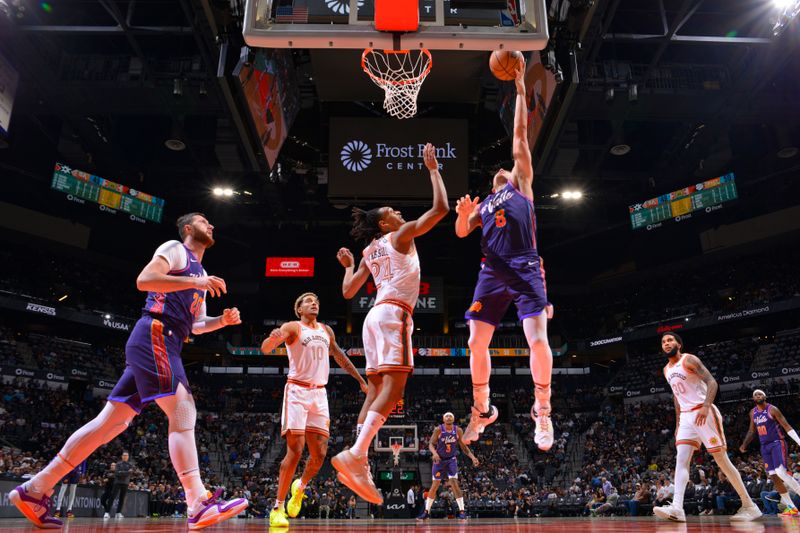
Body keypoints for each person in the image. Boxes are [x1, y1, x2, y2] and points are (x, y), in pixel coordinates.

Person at [10, 213, 248, 530]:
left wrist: (222, 321)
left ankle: (34, 489)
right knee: (183, 410)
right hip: (154, 334)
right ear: (189, 228)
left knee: (111, 423)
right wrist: (194, 281)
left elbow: (196, 325)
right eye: (205, 221)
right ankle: (197, 501)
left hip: (169, 340)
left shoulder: (202, 274)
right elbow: (145, 280)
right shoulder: (177, 249)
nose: (212, 225)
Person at [333, 143, 450, 504]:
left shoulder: (371, 249)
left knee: (374, 390)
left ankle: (359, 457)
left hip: (373, 315)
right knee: (395, 390)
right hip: (394, 313)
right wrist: (433, 169)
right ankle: (356, 455)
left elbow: (349, 291)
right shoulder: (400, 236)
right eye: (393, 211)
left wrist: (350, 267)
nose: (399, 212)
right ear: (385, 223)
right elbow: (441, 209)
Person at [453, 55, 553, 450]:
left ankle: (542, 410)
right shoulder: (484, 204)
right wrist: (463, 216)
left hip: (525, 265)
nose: (501, 172)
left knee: (538, 340)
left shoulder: (521, 185)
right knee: (476, 343)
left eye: (505, 170)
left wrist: (521, 90)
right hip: (491, 271)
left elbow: (520, 138)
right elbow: (461, 233)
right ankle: (482, 408)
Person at [260, 292, 368, 527]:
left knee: (319, 456)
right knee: (296, 450)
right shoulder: (293, 327)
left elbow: (339, 355)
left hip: (320, 394)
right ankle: (277, 508)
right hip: (297, 392)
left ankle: (300, 487)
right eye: (308, 301)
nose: (314, 303)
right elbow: (266, 348)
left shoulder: (326, 331)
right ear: (299, 309)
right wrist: (272, 339)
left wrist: (360, 380)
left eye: (317, 301)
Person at [653, 332, 761, 522]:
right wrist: (678, 423)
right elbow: (676, 397)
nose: (666, 343)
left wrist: (705, 406)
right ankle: (677, 508)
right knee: (681, 460)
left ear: (679, 344)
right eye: (663, 342)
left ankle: (749, 505)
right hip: (686, 417)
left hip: (703, 412)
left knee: (721, 461)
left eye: (670, 340)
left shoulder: (689, 360)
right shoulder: (666, 370)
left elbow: (712, 382)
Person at [739, 388, 800, 516]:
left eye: (760, 393)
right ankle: (791, 507)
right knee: (773, 475)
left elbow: (787, 426)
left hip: (777, 443)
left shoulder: (772, 409)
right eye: (755, 395)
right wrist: (744, 444)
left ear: (765, 396)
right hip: (764, 446)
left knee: (780, 472)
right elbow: (751, 431)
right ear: (753, 399)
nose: (757, 395)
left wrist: (798, 441)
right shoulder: (752, 413)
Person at [417, 412, 479, 521]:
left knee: (454, 484)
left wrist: (473, 457)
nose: (449, 417)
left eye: (450, 416)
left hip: (451, 460)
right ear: (443, 419)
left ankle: (462, 512)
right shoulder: (438, 429)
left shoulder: (458, 430)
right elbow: (431, 444)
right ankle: (426, 512)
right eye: (447, 416)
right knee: (435, 485)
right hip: (439, 460)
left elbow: (463, 447)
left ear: (454, 419)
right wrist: (434, 453)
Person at [103, 451, 133, 519]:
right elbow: (117, 473)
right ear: (122, 456)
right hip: (117, 482)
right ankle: (107, 512)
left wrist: (122, 472)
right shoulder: (118, 464)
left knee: (122, 499)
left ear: (128, 457)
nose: (125, 456)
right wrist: (126, 472)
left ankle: (118, 513)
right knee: (112, 497)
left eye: (126, 455)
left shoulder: (130, 464)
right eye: (124, 455)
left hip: (125, 483)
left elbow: (129, 473)